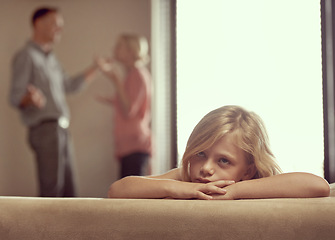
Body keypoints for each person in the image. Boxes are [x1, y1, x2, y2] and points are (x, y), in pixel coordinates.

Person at [107, 105, 330, 199]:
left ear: (247, 170)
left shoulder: (254, 182)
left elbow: (318, 185)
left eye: (223, 161)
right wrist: (180, 189)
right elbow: (118, 190)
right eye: (200, 154)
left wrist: (232, 192)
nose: (206, 168)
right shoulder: (186, 179)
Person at [9, 7, 98, 197]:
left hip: (62, 130)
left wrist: (95, 69)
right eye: (55, 24)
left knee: (69, 192)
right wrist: (29, 98)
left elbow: (70, 86)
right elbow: (15, 96)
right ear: (38, 24)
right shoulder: (26, 56)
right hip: (45, 130)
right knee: (52, 193)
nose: (60, 29)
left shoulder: (52, 60)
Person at [96, 34, 152, 179]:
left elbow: (128, 110)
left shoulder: (137, 74)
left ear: (131, 51)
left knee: (130, 196)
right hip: (130, 146)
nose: (114, 49)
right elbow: (127, 102)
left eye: (119, 46)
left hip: (134, 146)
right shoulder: (133, 74)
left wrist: (115, 80)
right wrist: (109, 99)